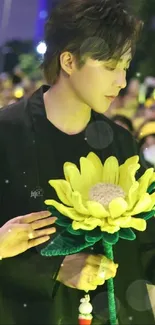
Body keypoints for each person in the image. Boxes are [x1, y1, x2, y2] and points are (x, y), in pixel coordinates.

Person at [0, 0, 154, 324]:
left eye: (125, 66)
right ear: (69, 61)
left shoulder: (122, 144)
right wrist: (54, 268)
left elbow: (147, 238)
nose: (122, 81)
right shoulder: (8, 135)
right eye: (110, 65)